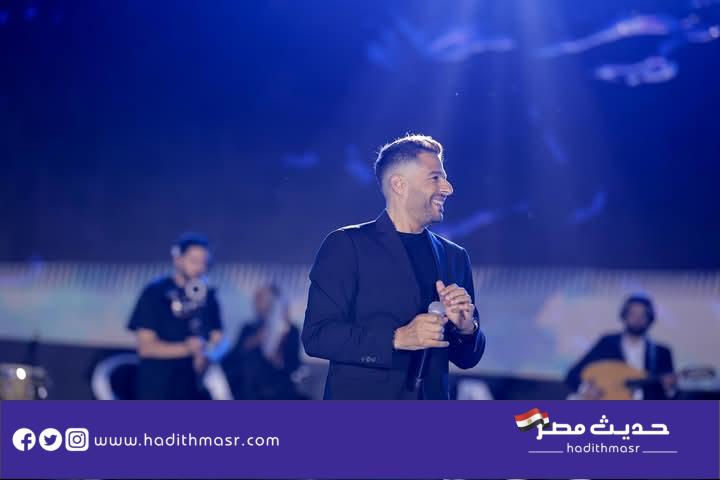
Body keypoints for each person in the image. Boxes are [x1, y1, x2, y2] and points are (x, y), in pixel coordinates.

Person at [302, 134, 486, 400]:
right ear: (399, 184)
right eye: (435, 178)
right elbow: (318, 336)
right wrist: (397, 338)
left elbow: (468, 358)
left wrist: (467, 327)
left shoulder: (454, 256)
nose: (448, 188)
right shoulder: (347, 245)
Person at [127, 233, 224, 399]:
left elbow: (219, 340)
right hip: (159, 390)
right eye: (194, 261)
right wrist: (187, 348)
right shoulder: (155, 293)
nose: (200, 268)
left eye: (204, 262)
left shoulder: (208, 296)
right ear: (178, 259)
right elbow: (146, 348)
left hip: (193, 390)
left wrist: (208, 355)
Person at [565, 294, 676, 399]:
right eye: (632, 314)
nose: (637, 319)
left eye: (643, 315)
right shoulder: (607, 343)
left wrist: (669, 387)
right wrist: (586, 389)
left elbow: (667, 394)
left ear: (649, 319)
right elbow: (573, 375)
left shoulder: (662, 352)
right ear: (624, 315)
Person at [223, 284, 304, 399]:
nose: (255, 302)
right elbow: (232, 358)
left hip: (278, 389)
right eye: (256, 298)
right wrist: (253, 341)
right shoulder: (248, 328)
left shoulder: (290, 331)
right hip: (247, 390)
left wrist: (277, 348)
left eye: (260, 298)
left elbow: (293, 364)